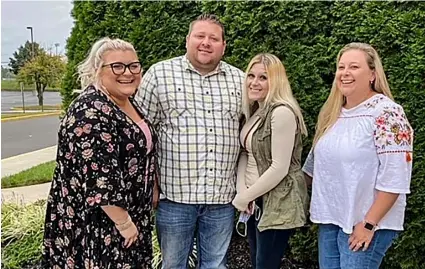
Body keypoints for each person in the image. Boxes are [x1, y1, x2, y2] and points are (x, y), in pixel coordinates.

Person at [136, 14, 245, 269]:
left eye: (213, 38)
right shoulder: (160, 75)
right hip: (174, 198)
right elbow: (141, 136)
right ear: (187, 40)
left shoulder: (240, 81)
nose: (206, 43)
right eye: (200, 36)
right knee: (173, 265)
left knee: (216, 265)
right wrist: (150, 183)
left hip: (221, 200)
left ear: (223, 46)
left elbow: (248, 136)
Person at [42, 37, 157, 268]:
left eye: (134, 65)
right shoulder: (89, 111)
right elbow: (99, 178)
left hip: (129, 214)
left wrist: (151, 189)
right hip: (98, 222)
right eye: (117, 66)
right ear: (97, 69)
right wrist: (124, 224)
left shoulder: (127, 101)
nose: (128, 72)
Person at [302, 42, 414, 269]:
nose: (345, 73)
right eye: (341, 67)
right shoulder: (332, 114)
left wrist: (369, 224)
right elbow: (314, 169)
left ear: (372, 74)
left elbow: (396, 177)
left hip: (366, 223)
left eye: (354, 67)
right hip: (331, 220)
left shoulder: (387, 113)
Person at [232, 53, 309, 269]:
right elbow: (246, 153)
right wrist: (243, 192)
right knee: (258, 259)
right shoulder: (256, 111)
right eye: (251, 75)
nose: (254, 82)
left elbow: (280, 167)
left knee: (266, 263)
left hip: (277, 200)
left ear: (276, 82)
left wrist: (246, 195)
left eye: (263, 78)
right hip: (256, 199)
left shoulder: (282, 112)